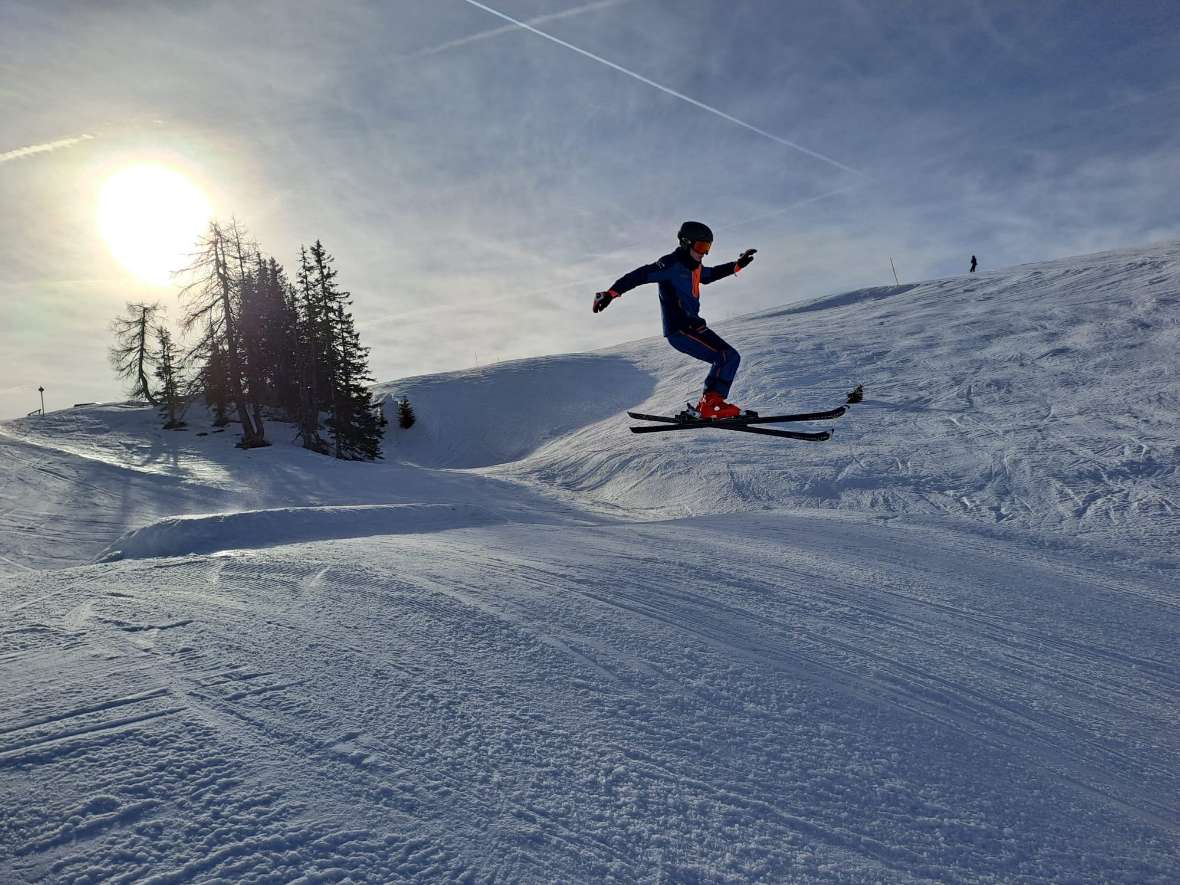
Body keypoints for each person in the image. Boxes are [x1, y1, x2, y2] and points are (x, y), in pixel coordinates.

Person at [593, 221, 756, 419]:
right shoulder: (670, 264)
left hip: (694, 327)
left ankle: (710, 404)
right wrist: (611, 293)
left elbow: (711, 274)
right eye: (701, 246)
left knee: (729, 357)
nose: (703, 253)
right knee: (725, 357)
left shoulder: (696, 267)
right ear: (686, 243)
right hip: (680, 329)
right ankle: (711, 405)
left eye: (708, 247)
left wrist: (737, 265)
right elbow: (638, 275)